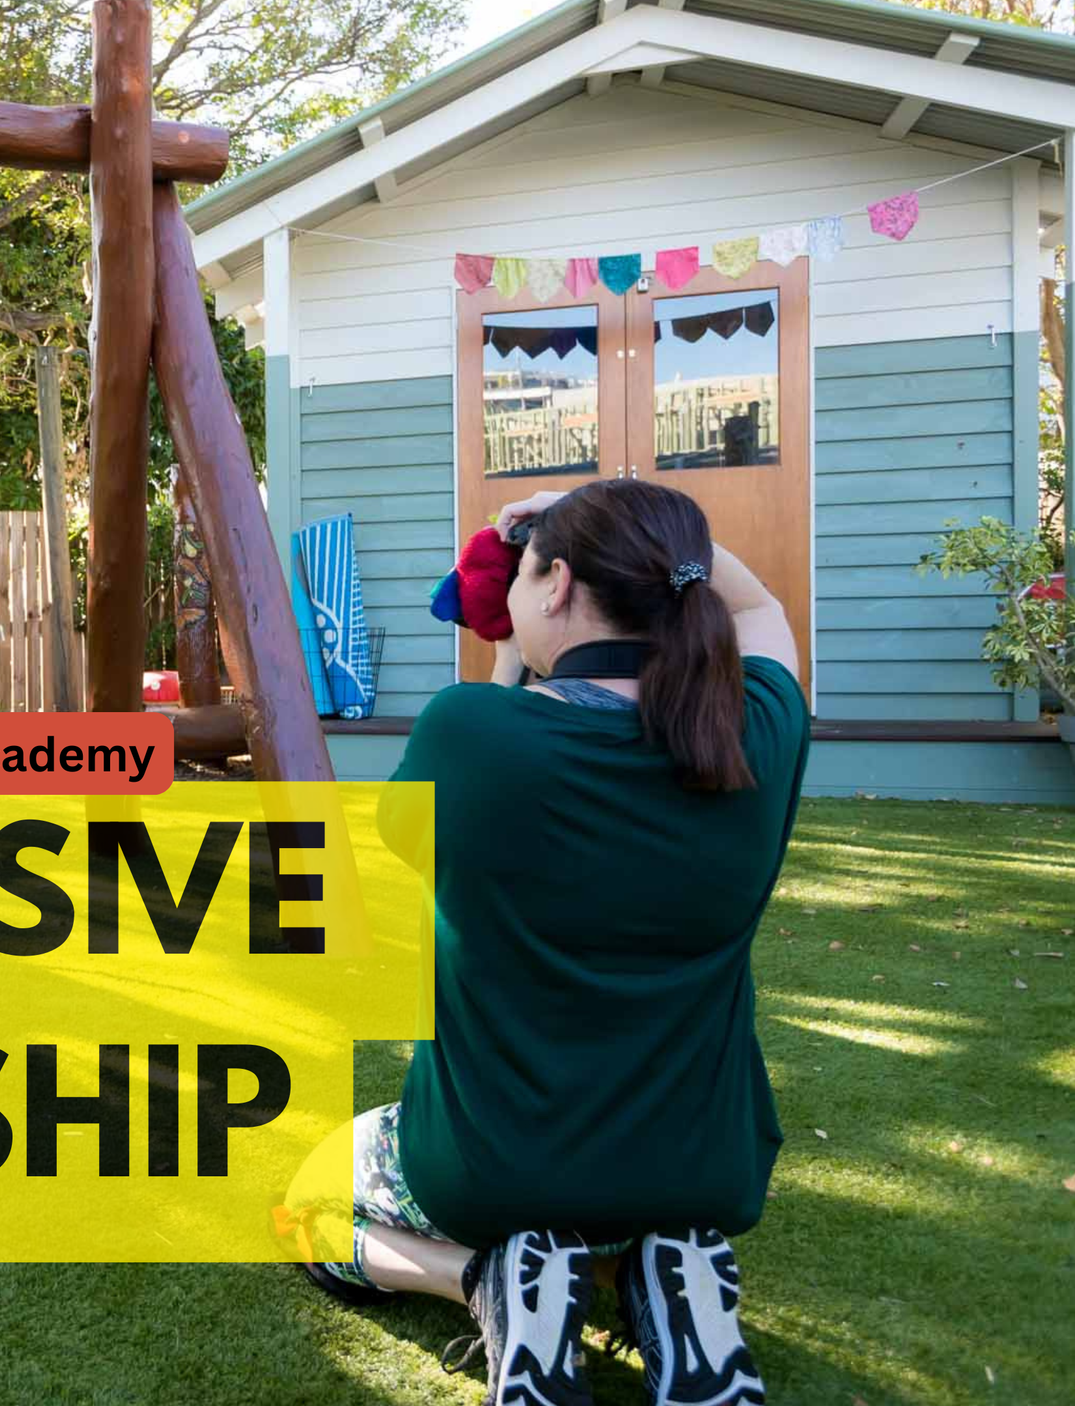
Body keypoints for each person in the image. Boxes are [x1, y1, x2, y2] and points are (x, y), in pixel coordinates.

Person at [300, 478, 807, 1406]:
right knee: (637, 1218)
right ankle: (668, 1272)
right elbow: (760, 605)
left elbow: (439, 805)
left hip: (494, 1172)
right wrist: (625, 518)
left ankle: (486, 1281)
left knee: (305, 1202)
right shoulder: (758, 738)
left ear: (557, 583)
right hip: (695, 1165)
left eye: (527, 578)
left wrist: (506, 654)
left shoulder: (470, 735)